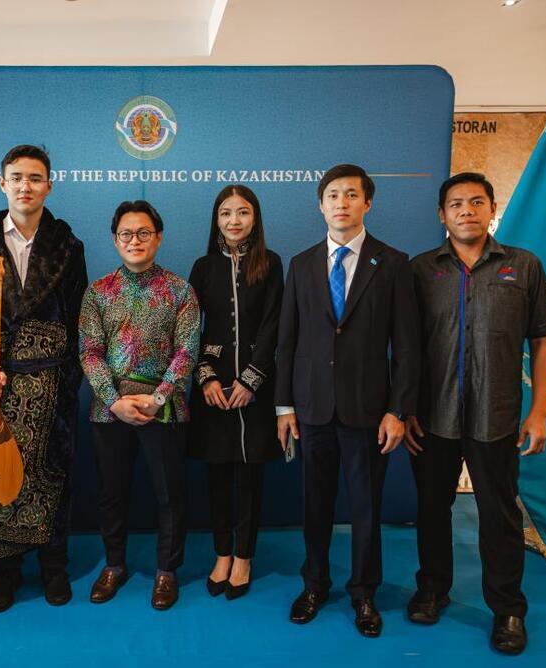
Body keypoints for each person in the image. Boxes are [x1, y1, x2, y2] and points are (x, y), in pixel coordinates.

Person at [404, 172, 546, 655]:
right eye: (456, 204)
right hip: (433, 417)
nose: (466, 211)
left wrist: (539, 413)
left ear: (492, 209)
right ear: (441, 215)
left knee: (499, 517)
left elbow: (543, 342)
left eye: (476, 202)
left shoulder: (522, 266)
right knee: (432, 510)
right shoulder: (420, 270)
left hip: (497, 417)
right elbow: (405, 349)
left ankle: (508, 608)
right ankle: (432, 588)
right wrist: (404, 407)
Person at [275, 164, 418, 637]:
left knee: (366, 509)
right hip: (312, 410)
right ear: (320, 204)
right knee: (315, 505)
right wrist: (284, 406)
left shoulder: (393, 263)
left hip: (368, 411)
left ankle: (364, 594)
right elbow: (286, 343)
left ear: (367, 203)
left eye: (351, 194)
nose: (341, 202)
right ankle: (314, 584)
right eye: (333, 194)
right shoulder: (300, 264)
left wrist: (398, 410)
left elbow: (407, 346)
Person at [0, 144, 87, 612]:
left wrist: (66, 382)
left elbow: (80, 323)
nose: (25, 186)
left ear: (50, 184)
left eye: (35, 177)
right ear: (1, 183)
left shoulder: (68, 246)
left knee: (50, 477)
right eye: (16, 178)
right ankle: (3, 573)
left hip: (50, 390)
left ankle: (53, 569)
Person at [78, 200, 200, 611]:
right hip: (108, 410)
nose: (135, 241)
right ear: (115, 240)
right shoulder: (97, 292)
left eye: (143, 233)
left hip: (163, 408)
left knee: (170, 494)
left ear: (159, 237)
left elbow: (187, 351)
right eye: (126, 234)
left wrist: (159, 397)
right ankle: (114, 564)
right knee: (112, 493)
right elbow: (90, 352)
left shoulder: (181, 290)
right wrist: (114, 402)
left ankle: (167, 570)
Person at [188, 185, 283, 600]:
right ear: (216, 220)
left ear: (256, 218)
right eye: (226, 213)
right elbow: (190, 328)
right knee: (217, 474)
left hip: (255, 389)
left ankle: (244, 556)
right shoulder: (203, 266)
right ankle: (222, 553)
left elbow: (274, 325)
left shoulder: (272, 264)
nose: (234, 221)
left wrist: (251, 379)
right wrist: (206, 377)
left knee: (250, 476)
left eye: (242, 213)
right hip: (213, 387)